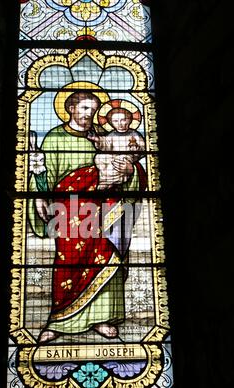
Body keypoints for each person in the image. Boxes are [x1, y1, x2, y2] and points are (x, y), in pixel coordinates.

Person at [28, 90, 146, 343]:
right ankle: (60, 320)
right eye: (83, 108)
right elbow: (44, 176)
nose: (88, 114)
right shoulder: (54, 138)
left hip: (105, 208)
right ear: (70, 109)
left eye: (92, 110)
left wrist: (131, 170)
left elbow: (132, 166)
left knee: (108, 258)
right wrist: (38, 194)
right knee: (69, 261)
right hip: (70, 210)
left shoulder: (103, 137)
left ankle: (102, 318)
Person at [88, 107, 145, 190]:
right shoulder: (112, 134)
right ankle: (105, 178)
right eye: (115, 121)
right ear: (111, 123)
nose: (120, 123)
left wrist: (136, 148)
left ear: (129, 120)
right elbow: (105, 145)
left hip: (126, 157)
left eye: (123, 120)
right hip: (112, 156)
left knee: (117, 162)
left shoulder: (134, 134)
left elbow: (143, 149)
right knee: (99, 157)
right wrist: (96, 139)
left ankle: (108, 182)